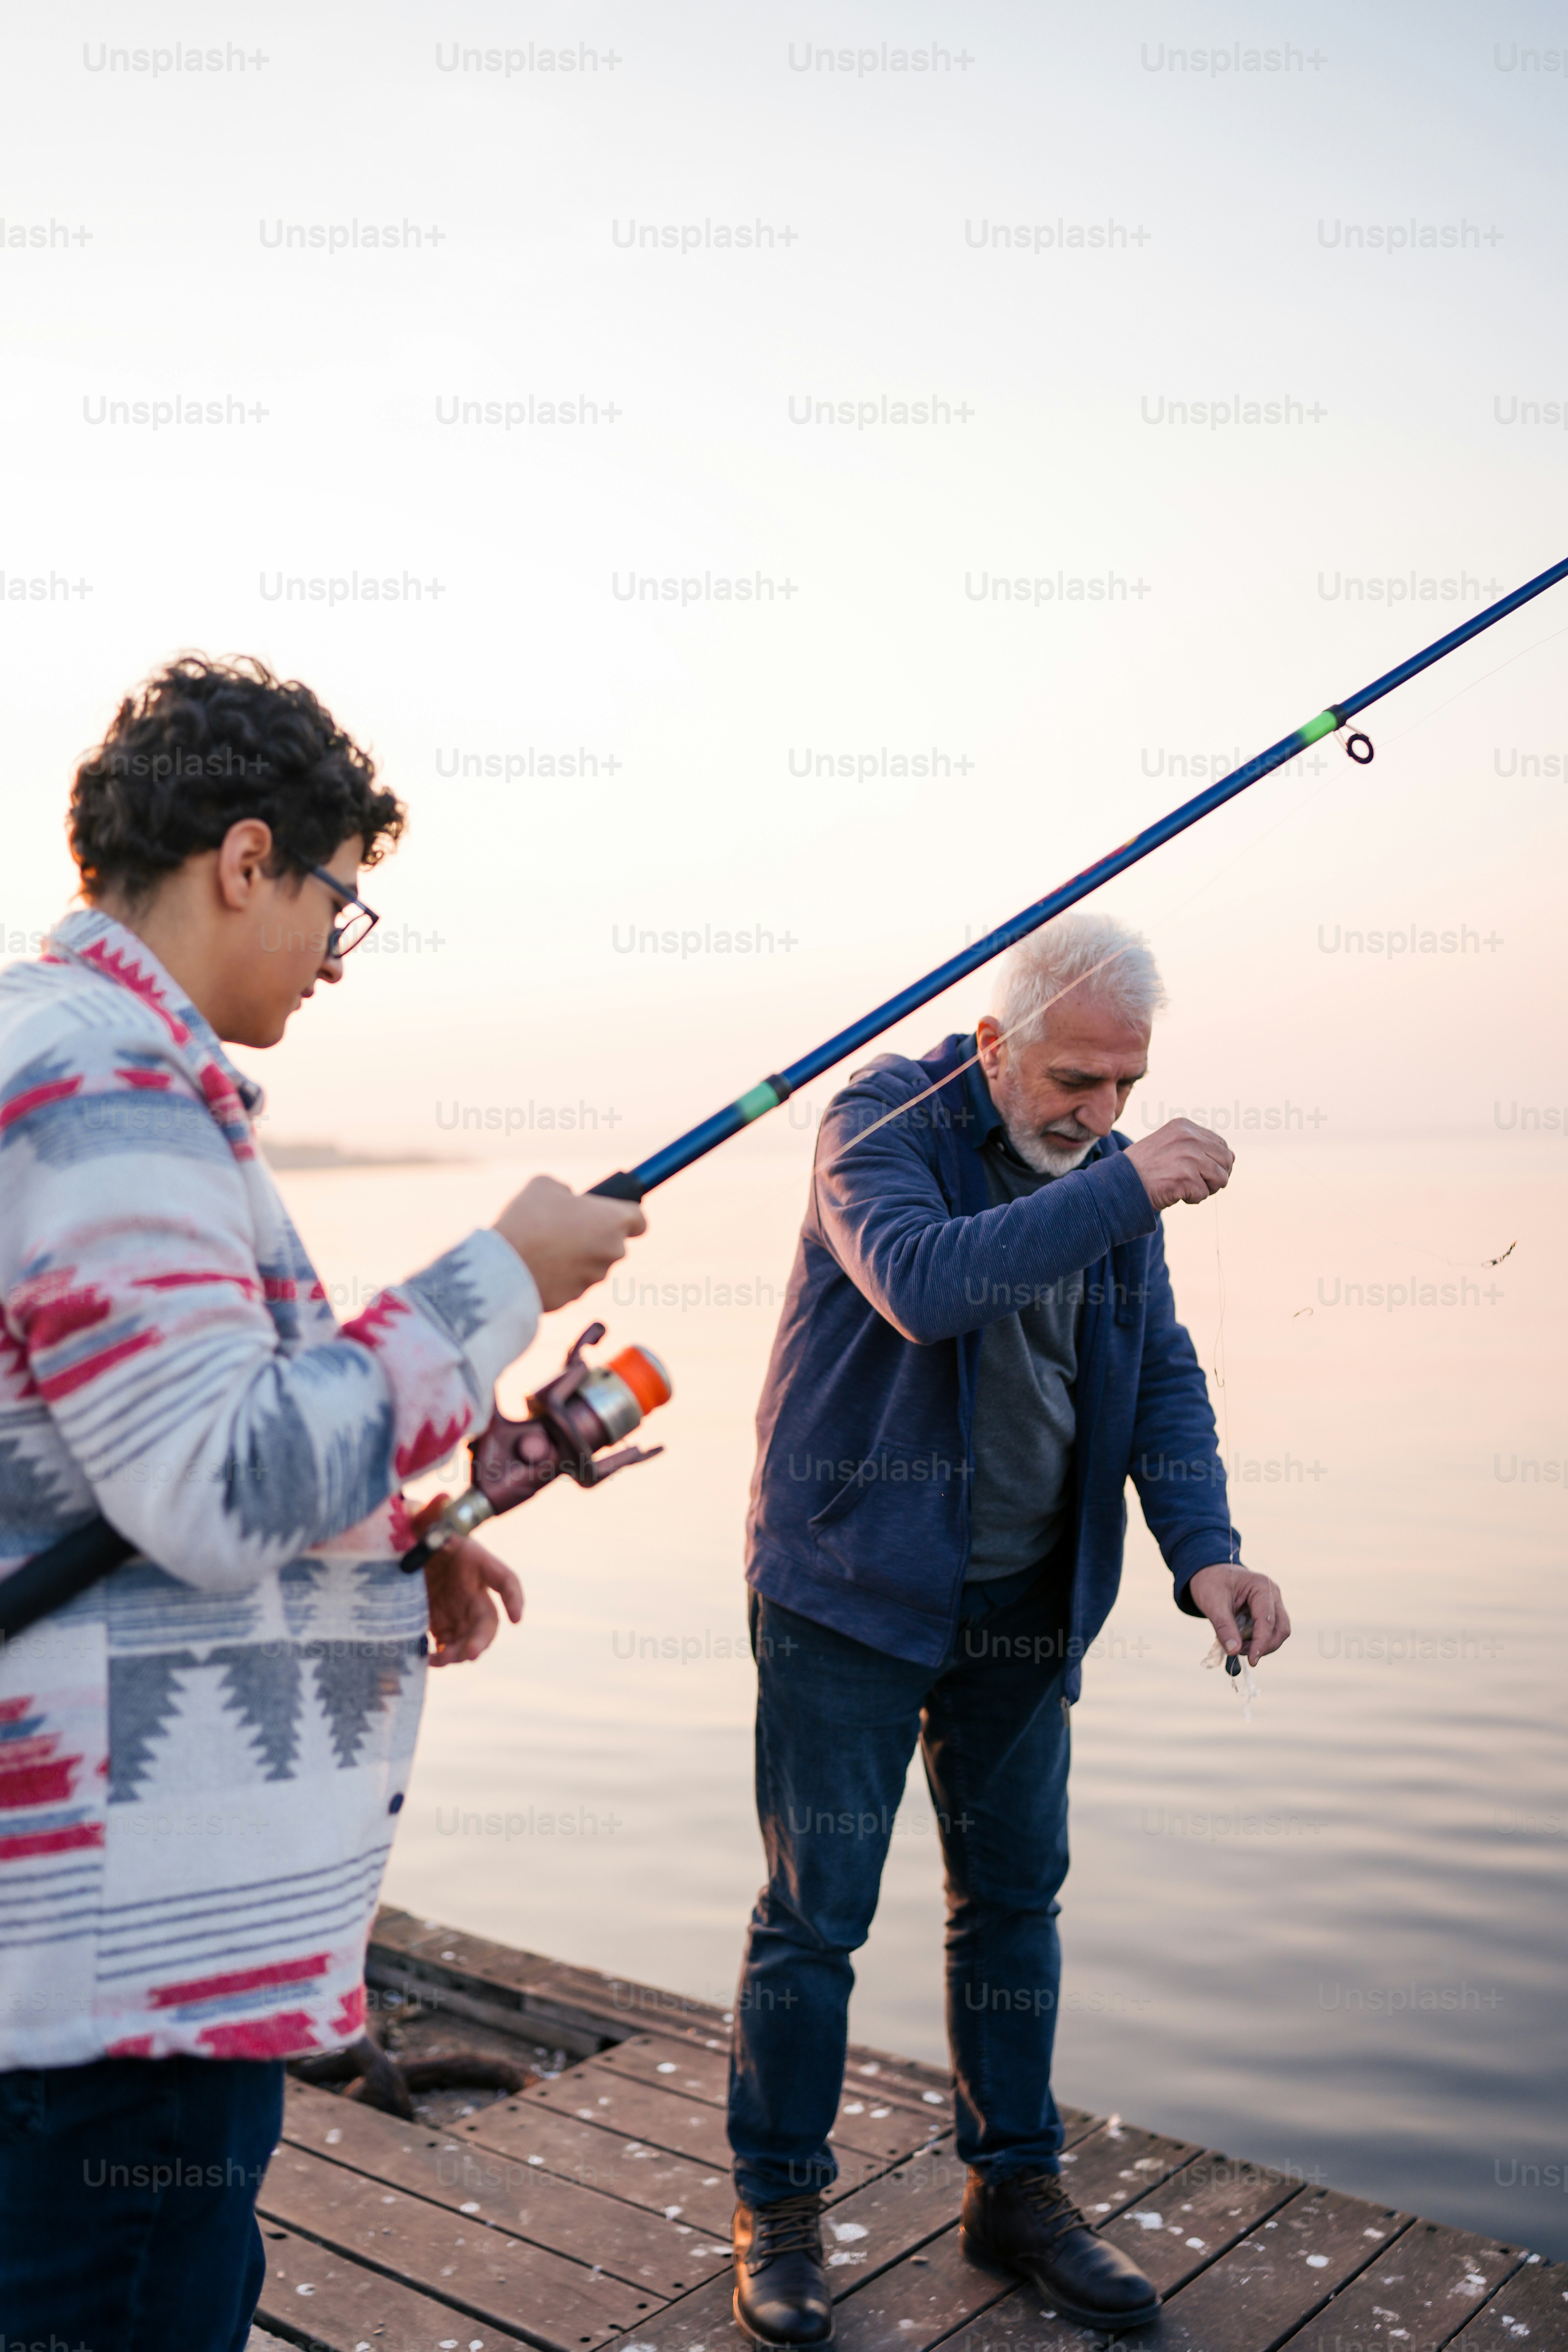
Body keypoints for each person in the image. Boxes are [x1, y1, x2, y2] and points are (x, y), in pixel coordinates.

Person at [0, 655, 644, 2350]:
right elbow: (217, 1487)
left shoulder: (63, 1052)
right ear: (244, 858)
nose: (335, 955)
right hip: (112, 1977)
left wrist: (399, 1531)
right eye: (337, 906)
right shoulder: (103, 1084)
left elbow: (112, 1474)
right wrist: (497, 1278)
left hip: (93, 1943)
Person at [728, 909, 1291, 2345]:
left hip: (1027, 1601)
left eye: (1125, 1088)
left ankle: (1014, 2194)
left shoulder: (1103, 1179)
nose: (1101, 1118)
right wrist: (1134, 1185)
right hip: (847, 1591)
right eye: (1072, 1085)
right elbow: (923, 1287)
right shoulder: (879, 1123)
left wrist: (1206, 1554)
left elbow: (1158, 1373)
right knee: (815, 1922)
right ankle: (780, 2214)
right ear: (994, 1047)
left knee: (1012, 1909)